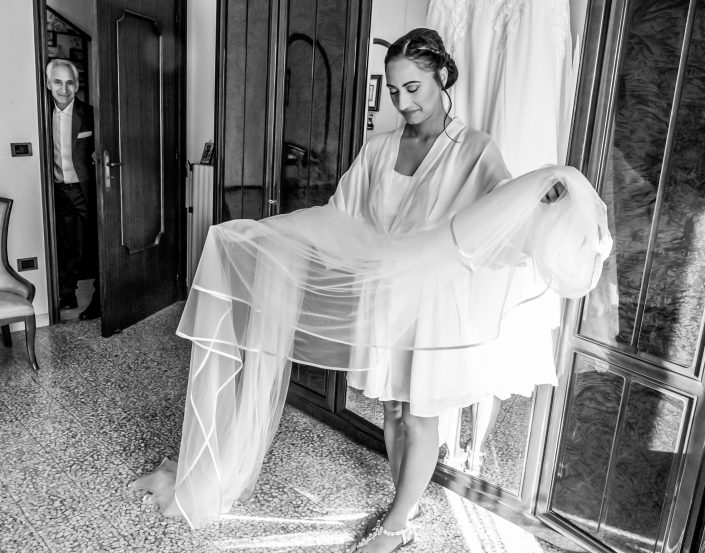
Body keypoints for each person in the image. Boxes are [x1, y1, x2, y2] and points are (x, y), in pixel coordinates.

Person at [135, 28, 611, 552]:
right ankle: (406, 501)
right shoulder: (380, 148)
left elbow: (500, 217)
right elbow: (340, 215)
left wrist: (545, 198)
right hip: (385, 299)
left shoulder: (475, 150)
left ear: (442, 77)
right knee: (392, 409)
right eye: (394, 91)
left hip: (435, 306)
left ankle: (398, 524)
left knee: (421, 415)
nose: (403, 102)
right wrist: (263, 236)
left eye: (414, 88)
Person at [46, 59, 101, 320]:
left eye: (70, 83)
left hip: (85, 189)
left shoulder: (89, 114)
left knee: (97, 241)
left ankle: (102, 296)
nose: (64, 89)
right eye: (58, 82)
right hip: (57, 188)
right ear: (49, 84)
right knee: (65, 242)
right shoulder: (40, 113)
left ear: (77, 85)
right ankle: (67, 292)